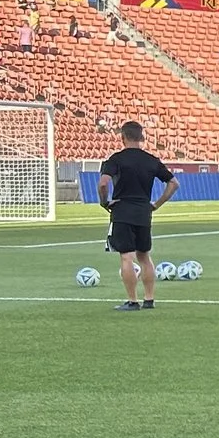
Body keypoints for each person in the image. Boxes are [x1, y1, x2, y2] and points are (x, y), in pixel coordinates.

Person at [95, 121, 176, 312]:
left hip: (123, 210)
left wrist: (104, 202)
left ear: (122, 137)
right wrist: (156, 204)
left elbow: (103, 184)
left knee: (126, 258)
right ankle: (149, 299)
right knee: (144, 256)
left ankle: (132, 301)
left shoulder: (116, 159)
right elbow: (173, 183)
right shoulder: (151, 160)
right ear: (141, 137)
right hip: (143, 212)